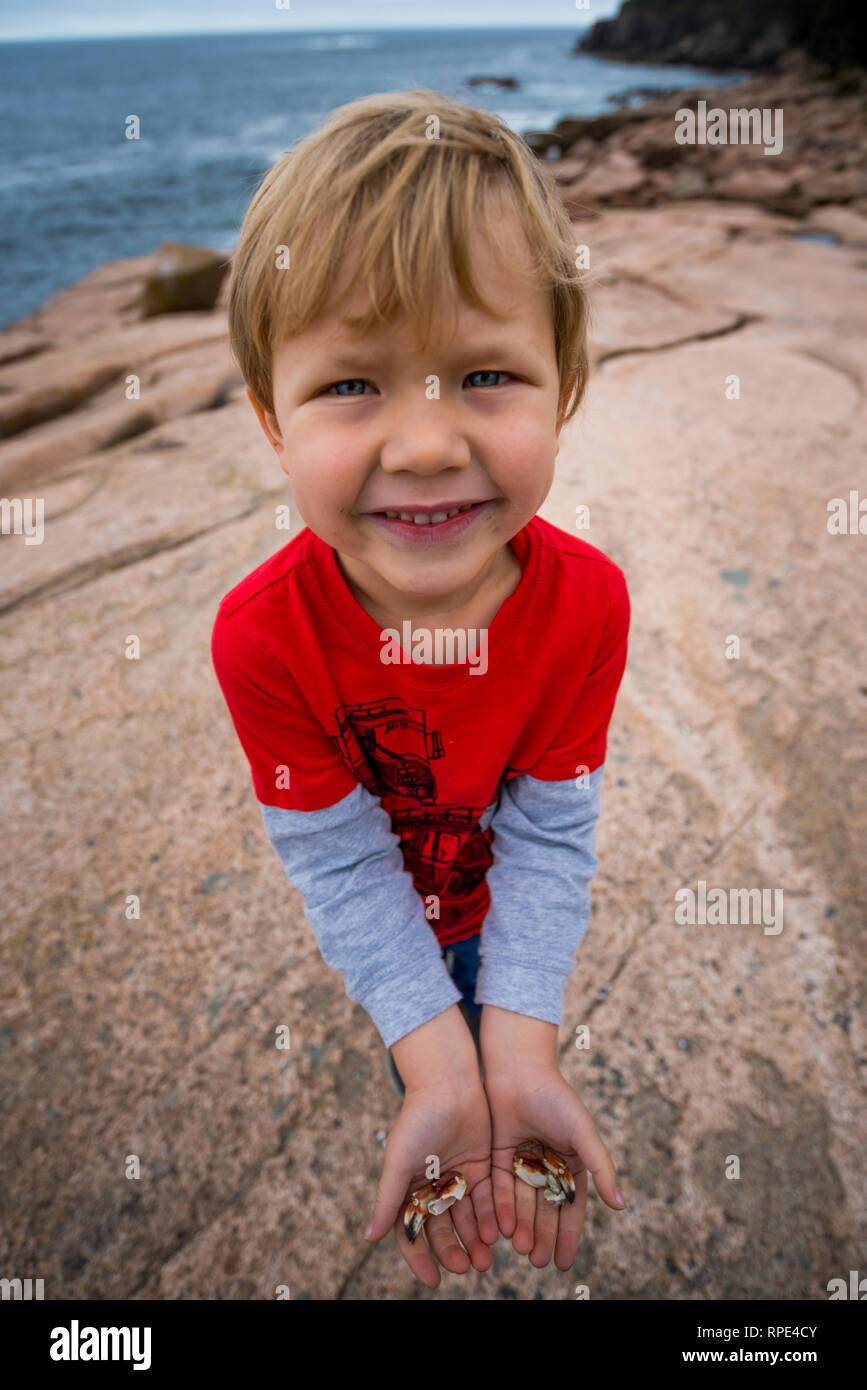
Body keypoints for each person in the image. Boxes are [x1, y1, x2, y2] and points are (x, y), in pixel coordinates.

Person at [211, 88, 630, 1290]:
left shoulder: (588, 605)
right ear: (272, 422)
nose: (430, 445)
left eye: (487, 373)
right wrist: (440, 1065)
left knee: (496, 1002)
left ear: (566, 390)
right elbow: (339, 862)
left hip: (504, 904)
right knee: (422, 1024)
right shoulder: (263, 639)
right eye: (352, 386)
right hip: (396, 904)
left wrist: (521, 1035)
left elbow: (553, 827)